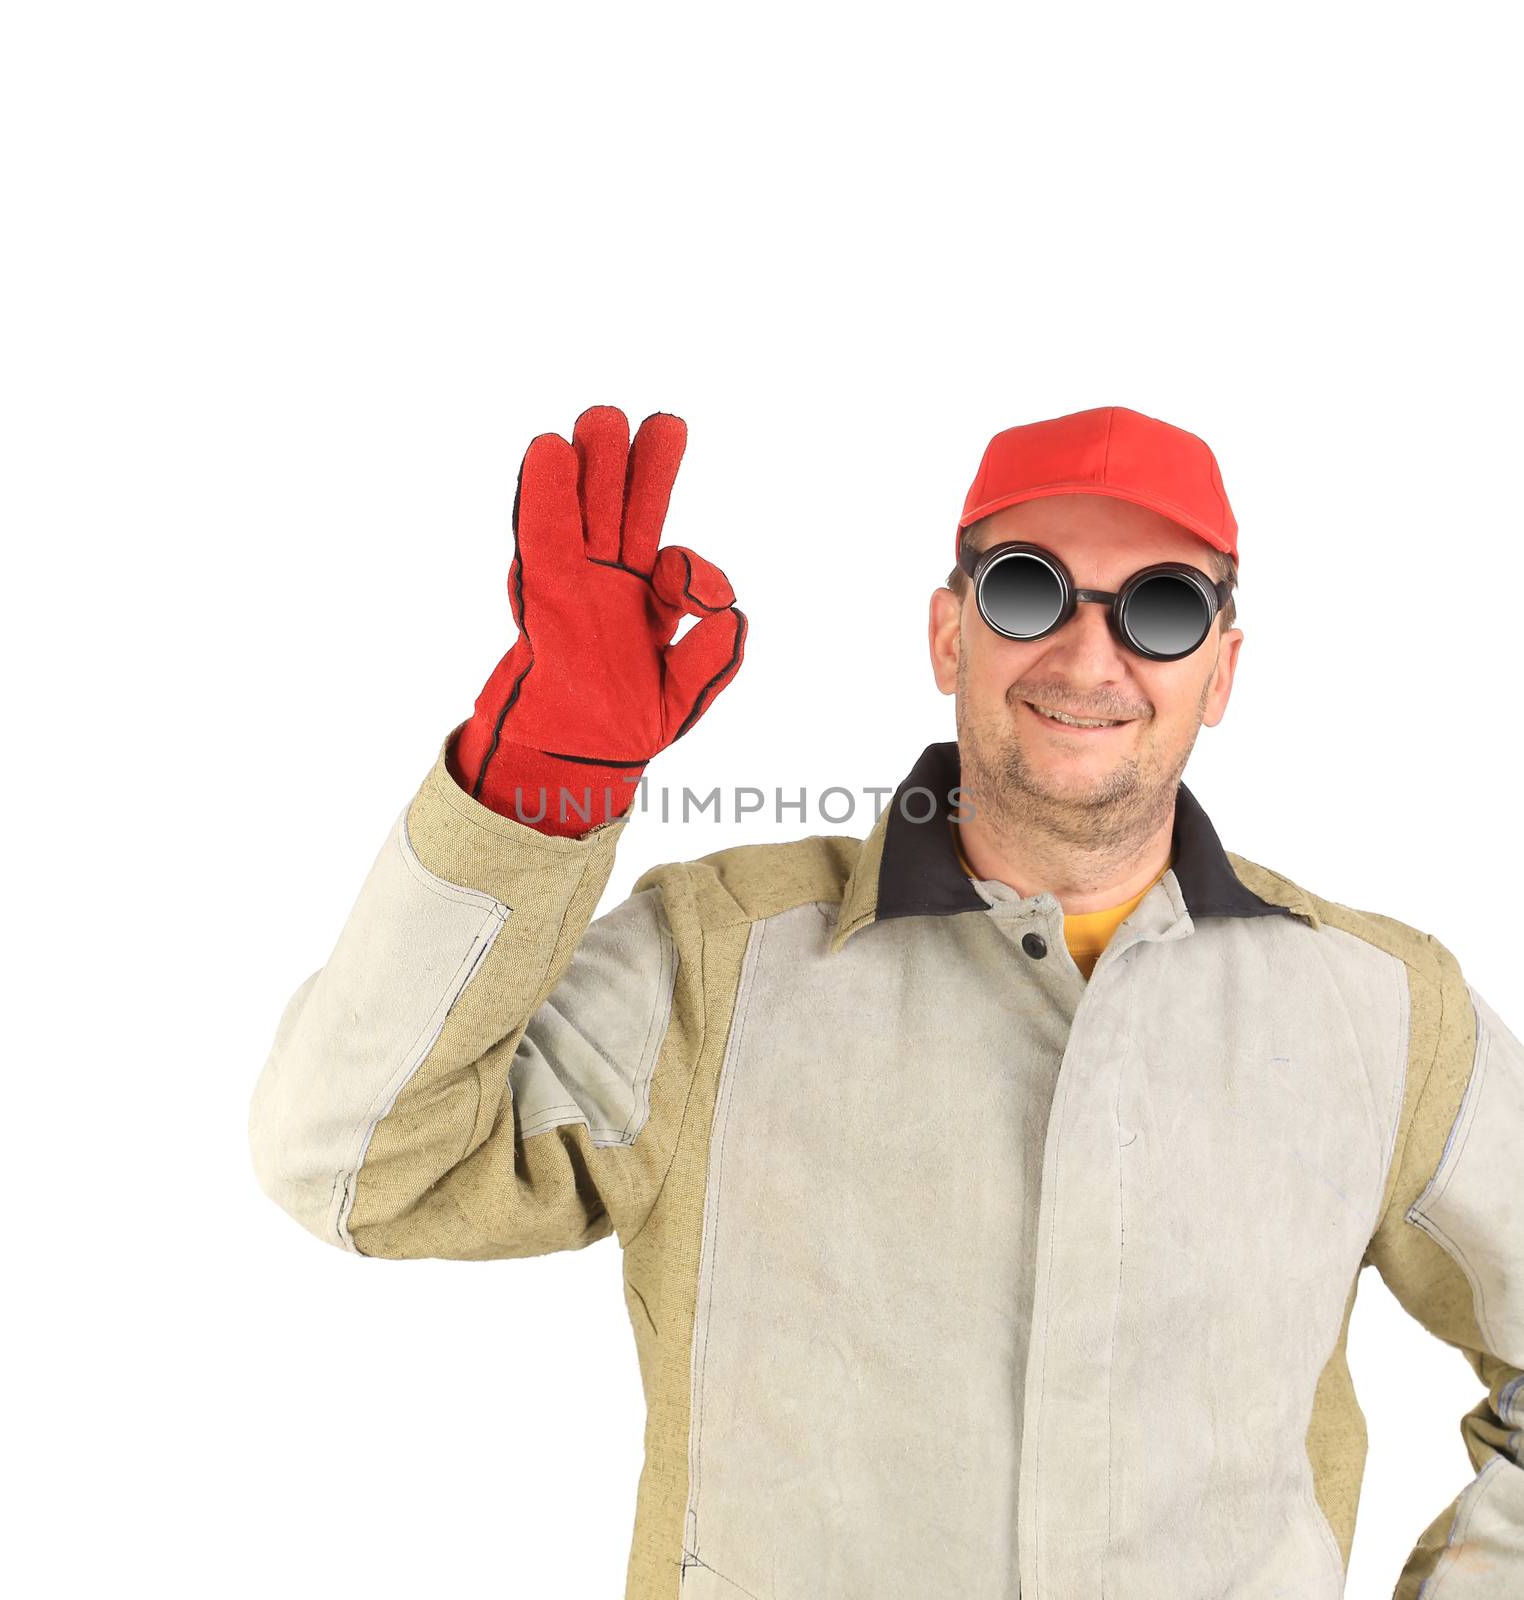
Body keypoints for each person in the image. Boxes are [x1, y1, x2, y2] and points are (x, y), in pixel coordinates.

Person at [247, 403, 1523, 1599]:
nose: (1092, 654)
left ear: (1223, 671)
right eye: (1028, 588)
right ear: (947, 632)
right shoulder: (719, 963)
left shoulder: (1379, 1011)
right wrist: (537, 784)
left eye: (1163, 608)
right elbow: (355, 1167)